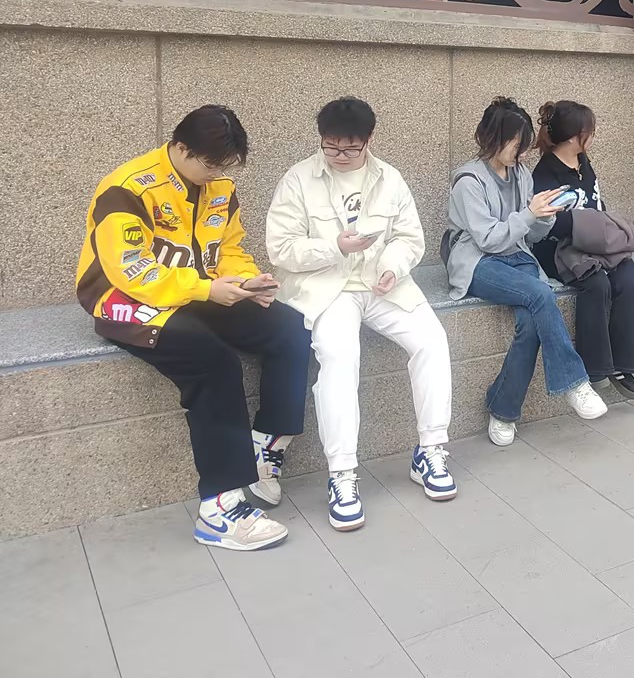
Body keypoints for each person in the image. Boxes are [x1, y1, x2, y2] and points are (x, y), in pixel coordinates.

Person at [76, 106, 310, 551]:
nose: (216, 173)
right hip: (125, 299)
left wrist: (247, 281)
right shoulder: (127, 189)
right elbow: (132, 272)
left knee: (291, 328)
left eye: (225, 165)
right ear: (180, 147)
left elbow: (228, 248)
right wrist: (206, 290)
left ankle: (264, 449)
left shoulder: (220, 187)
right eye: (210, 163)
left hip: (197, 290)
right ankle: (219, 510)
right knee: (212, 362)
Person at [267, 98, 455, 533]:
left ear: (368, 141)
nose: (339, 155)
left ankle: (430, 450)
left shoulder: (389, 178)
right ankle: (342, 474)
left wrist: (392, 266)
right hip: (325, 288)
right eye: (330, 147)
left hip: (382, 284)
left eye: (349, 148)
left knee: (432, 340)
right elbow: (281, 248)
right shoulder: (298, 179)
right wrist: (334, 246)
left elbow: (409, 237)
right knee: (339, 356)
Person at [446, 97, 608, 448]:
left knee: (532, 323)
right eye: (513, 142)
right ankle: (575, 383)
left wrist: (545, 216)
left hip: (517, 256)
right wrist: (529, 214)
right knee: (540, 293)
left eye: (522, 143)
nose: (519, 151)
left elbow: (529, 235)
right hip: (478, 262)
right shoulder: (468, 181)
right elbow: (488, 239)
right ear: (490, 137)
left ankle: (502, 409)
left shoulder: (520, 173)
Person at [531, 100, 634, 396]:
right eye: (589, 132)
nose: (593, 137)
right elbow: (548, 224)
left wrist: (600, 228)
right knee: (596, 284)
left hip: (594, 243)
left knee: (630, 280)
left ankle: (623, 363)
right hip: (559, 249)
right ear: (573, 137)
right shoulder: (546, 173)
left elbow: (595, 202)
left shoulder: (583, 161)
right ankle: (595, 368)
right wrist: (589, 225)